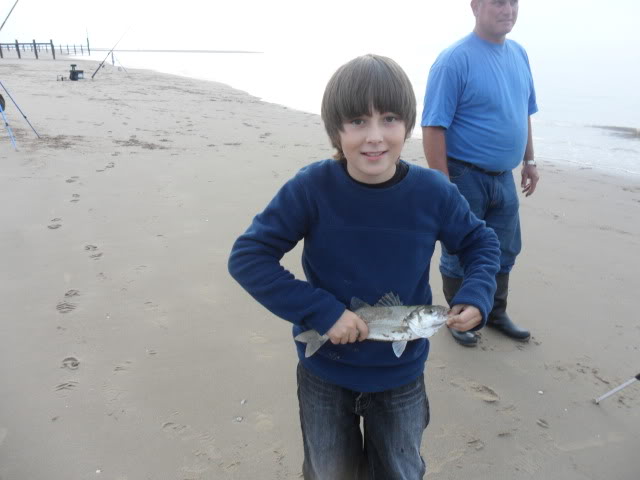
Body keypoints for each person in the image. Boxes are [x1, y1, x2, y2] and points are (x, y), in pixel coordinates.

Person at [228, 54, 500, 479]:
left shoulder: (433, 192)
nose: (375, 136)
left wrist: (476, 294)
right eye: (357, 121)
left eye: (389, 118)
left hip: (401, 375)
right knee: (328, 471)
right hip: (324, 372)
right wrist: (323, 312)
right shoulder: (311, 187)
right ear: (336, 130)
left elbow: (480, 241)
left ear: (408, 125)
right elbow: (248, 257)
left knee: (400, 469)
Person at [421, 0, 539, 347]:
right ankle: (460, 320)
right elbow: (432, 126)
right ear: (475, 6)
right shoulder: (454, 60)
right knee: (460, 251)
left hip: (504, 175)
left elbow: (524, 112)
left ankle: (494, 311)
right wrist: (443, 185)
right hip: (463, 173)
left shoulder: (519, 54)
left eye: (513, 2)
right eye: (498, 2)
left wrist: (529, 160)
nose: (508, 10)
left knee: (505, 249)